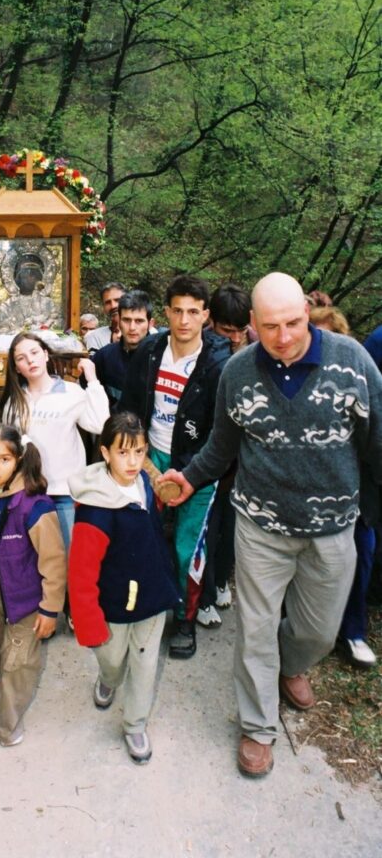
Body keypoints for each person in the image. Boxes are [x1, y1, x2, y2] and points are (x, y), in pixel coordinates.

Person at [159, 272, 382, 778]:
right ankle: (258, 727)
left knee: (319, 631)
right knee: (255, 630)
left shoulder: (352, 361)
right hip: (260, 524)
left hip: (332, 526)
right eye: (270, 326)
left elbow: (379, 440)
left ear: (307, 312)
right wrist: (190, 478)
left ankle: (292, 663)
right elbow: (221, 445)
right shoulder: (238, 372)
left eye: (293, 323)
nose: (283, 337)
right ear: (251, 324)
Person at [119, 275, 231, 658]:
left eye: (193, 312)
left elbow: (222, 432)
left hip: (198, 465)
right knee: (140, 536)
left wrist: (194, 472)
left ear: (206, 315)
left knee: (188, 548)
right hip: (150, 457)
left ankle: (185, 618)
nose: (184, 320)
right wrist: (133, 452)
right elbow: (129, 407)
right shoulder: (150, 352)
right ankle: (143, 605)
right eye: (177, 311)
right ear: (165, 312)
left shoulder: (218, 364)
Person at [68, 413, 180, 764]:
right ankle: (108, 678)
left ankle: (135, 724)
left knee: (145, 664)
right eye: (123, 452)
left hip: (152, 594)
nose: (132, 462)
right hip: (114, 604)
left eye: (139, 452)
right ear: (105, 452)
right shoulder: (95, 511)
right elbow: (81, 574)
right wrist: (89, 624)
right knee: (114, 660)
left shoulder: (144, 482)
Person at [0, 423, 66, 746]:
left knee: (18, 661)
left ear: (18, 460)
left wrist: (49, 609)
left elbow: (54, 561)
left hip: (28, 598)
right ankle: (2, 669)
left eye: (4, 459)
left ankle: (7, 727)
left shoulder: (34, 507)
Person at [308, 306, 377, 670]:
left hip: (356, 492)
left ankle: (352, 630)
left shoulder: (357, 381)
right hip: (309, 495)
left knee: (362, 550)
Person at [0, 331, 110, 548]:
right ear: (16, 367)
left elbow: (100, 424)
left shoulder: (71, 392)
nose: (30, 360)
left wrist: (93, 380)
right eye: (21, 358)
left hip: (64, 493)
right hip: (26, 493)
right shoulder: (15, 402)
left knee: (69, 555)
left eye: (34, 353)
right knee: (33, 557)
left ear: (46, 355)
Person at [197, 283, 253, 628]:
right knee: (208, 526)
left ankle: (220, 581)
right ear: (211, 322)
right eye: (225, 330)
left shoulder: (258, 349)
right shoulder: (200, 348)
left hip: (243, 462)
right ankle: (202, 597)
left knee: (231, 528)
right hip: (208, 455)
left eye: (240, 330)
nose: (234, 338)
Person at [93, 290, 154, 412]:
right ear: (119, 321)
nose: (132, 327)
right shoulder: (104, 356)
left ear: (150, 324)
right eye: (126, 320)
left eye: (139, 321)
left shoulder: (162, 358)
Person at [0, 252, 60, 332]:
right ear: (17, 278)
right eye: (24, 275)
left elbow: (56, 325)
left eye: (33, 275)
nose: (28, 278)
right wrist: (19, 331)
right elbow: (1, 329)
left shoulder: (48, 303)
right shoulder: (7, 306)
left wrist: (42, 326)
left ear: (39, 278)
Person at [85, 282, 127, 351]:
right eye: (107, 302)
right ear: (103, 307)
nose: (113, 306)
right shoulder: (95, 337)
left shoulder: (141, 333)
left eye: (117, 300)